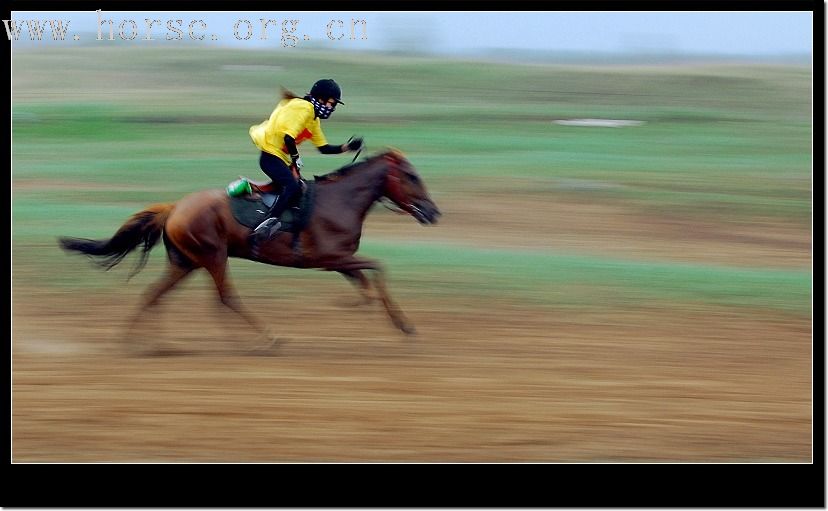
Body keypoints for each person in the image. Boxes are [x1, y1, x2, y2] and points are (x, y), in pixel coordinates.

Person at [248, 78, 363, 240]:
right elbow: (289, 138)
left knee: (300, 189)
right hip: (270, 155)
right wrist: (296, 158)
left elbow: (323, 148)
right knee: (292, 186)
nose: (332, 108)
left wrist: (348, 147)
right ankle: (267, 224)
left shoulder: (313, 120)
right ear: (320, 99)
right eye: (331, 103)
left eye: (334, 105)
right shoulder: (304, 108)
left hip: (279, 157)